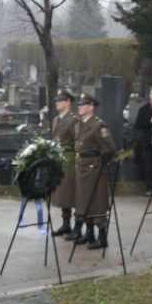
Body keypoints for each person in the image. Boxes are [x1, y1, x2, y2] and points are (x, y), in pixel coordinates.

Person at [71, 93, 116, 250]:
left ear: (91, 107)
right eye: (79, 104)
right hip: (81, 166)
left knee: (96, 201)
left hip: (94, 168)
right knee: (83, 201)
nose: (79, 107)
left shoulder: (99, 125)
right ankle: (89, 233)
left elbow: (110, 148)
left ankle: (102, 237)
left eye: (83, 105)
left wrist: (100, 162)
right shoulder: (78, 124)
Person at [50, 89, 79, 237]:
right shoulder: (56, 119)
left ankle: (77, 227)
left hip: (70, 160)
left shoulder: (74, 119)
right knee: (62, 194)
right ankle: (66, 224)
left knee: (72, 193)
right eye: (56, 100)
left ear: (68, 102)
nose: (57, 103)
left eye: (60, 100)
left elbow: (78, 141)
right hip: (59, 159)